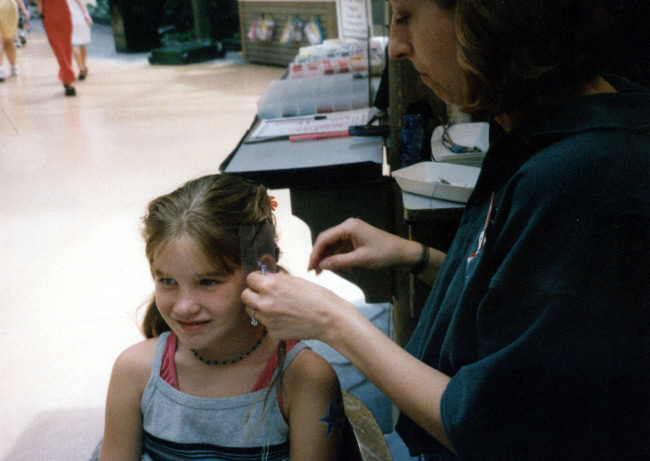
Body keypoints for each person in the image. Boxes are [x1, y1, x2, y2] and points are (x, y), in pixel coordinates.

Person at [242, 0, 650, 459]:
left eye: (405, 16)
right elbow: (530, 310)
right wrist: (417, 257)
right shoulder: (563, 127)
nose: (396, 47)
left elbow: (486, 425)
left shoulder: (580, 179)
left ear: (487, 16)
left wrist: (332, 320)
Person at [98, 174, 344, 460]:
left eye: (208, 282)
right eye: (167, 281)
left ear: (262, 270)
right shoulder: (135, 372)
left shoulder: (304, 379)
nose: (183, 307)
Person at [35, 0, 76, 95]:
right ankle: (67, 78)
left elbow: (39, 4)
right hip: (64, 13)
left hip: (50, 15)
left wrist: (42, 14)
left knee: (60, 50)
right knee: (65, 48)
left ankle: (67, 78)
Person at [0, 0, 28, 81]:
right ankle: (14, 67)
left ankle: (0, 70)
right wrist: (23, 8)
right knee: (9, 40)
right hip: (9, 6)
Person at [66, 0, 91, 80]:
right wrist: (86, 15)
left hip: (67, 20)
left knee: (74, 44)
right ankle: (84, 66)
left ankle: (81, 68)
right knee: (81, 44)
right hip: (79, 18)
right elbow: (80, 2)